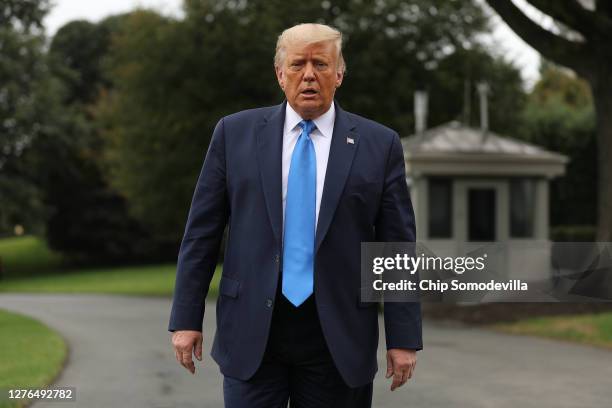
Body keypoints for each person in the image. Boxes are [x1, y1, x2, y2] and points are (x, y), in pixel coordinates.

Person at [169, 23, 422, 408]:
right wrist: (186, 318)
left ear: (339, 74)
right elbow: (201, 234)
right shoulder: (233, 134)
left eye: (320, 63)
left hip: (338, 337)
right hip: (252, 331)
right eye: (297, 64)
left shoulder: (379, 144)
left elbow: (397, 248)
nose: (308, 74)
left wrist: (403, 338)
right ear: (279, 73)